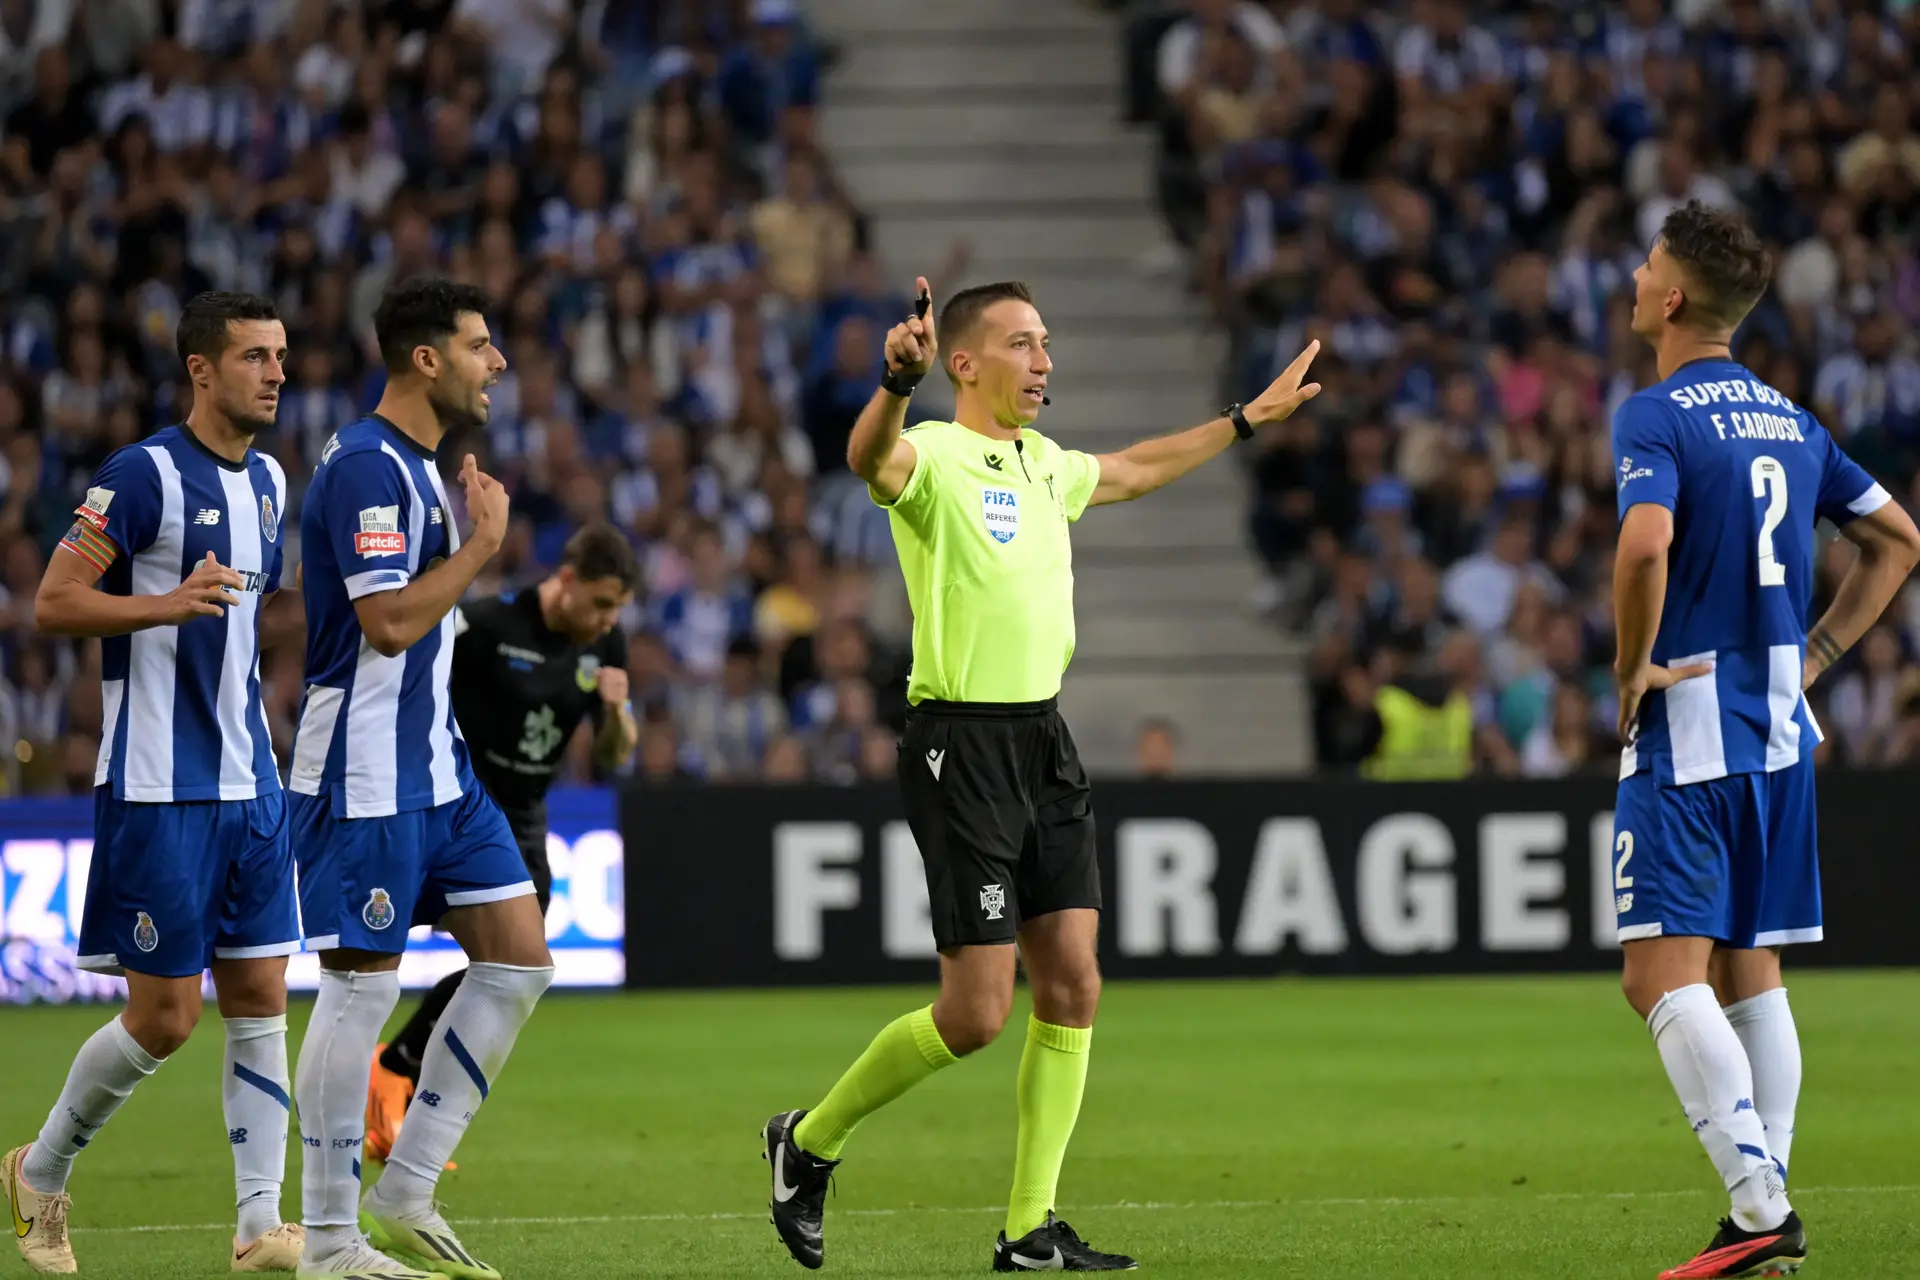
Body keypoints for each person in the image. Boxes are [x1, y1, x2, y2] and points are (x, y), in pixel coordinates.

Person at [761, 276, 1320, 1273]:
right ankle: (807, 1141)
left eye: (1048, 342)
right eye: (1023, 343)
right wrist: (895, 384)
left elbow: (1136, 469)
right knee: (977, 1011)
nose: (1044, 360)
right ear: (965, 364)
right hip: (960, 743)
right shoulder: (932, 451)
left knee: (1072, 981)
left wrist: (1242, 420)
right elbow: (866, 458)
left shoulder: (1045, 464)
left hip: (1043, 740)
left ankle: (1028, 1227)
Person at [1609, 201, 1920, 1280]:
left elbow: (1645, 544)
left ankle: (1756, 1209)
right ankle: (1768, 1211)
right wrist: (1820, 653)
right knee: (1753, 968)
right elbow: (1898, 539)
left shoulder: (1655, 415)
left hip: (1689, 723)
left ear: (1675, 297)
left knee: (1657, 973)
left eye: (1648, 264)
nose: (1637, 277)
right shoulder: (1791, 417)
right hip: (1782, 728)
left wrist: (1630, 661)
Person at [2, 293, 307, 1274]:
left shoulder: (269, 481)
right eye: (254, 356)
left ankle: (261, 1222)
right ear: (201, 370)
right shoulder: (139, 476)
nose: (274, 371)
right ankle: (39, 1169)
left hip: (250, 780)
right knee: (167, 1016)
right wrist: (163, 601)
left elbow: (244, 628)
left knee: (262, 991)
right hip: (155, 785)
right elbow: (52, 602)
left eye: (281, 356)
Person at [286, 278, 553, 1280]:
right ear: (428, 358)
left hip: (436, 771)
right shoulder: (365, 467)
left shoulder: (418, 467)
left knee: (520, 956)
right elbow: (388, 621)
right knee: (358, 994)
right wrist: (484, 546)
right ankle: (326, 1241)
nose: (499, 362)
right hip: (362, 775)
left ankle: (407, 1187)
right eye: (482, 345)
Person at [364, 524, 638, 1161]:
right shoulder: (487, 624)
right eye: (601, 603)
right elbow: (407, 677)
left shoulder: (608, 645)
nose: (609, 619)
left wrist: (620, 713)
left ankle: (398, 1073)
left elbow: (611, 754)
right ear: (565, 581)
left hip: (526, 819)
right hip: (456, 811)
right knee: (377, 952)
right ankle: (372, 1083)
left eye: (618, 607)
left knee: (514, 967)